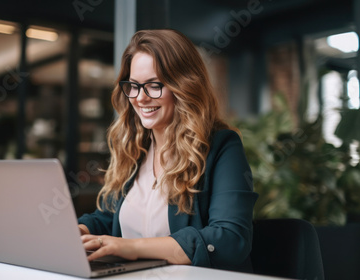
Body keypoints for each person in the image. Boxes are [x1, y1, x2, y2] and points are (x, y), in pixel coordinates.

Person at [77, 29, 258, 272]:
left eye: (153, 85)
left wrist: (131, 247)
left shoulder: (222, 147)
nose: (140, 98)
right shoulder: (134, 148)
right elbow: (109, 217)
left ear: (184, 85)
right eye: (133, 85)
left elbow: (229, 240)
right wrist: (80, 231)